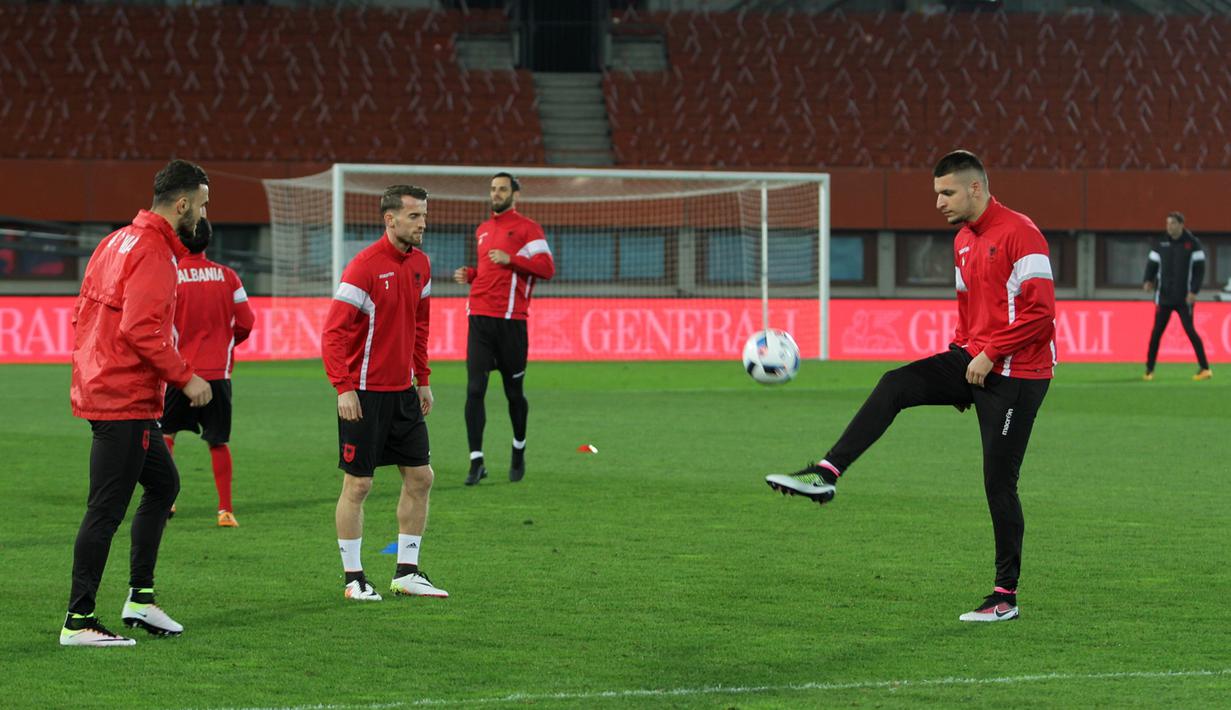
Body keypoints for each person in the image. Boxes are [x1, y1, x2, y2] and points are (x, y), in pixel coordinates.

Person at [765, 151, 1056, 624]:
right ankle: (826, 475)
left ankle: (1005, 597)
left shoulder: (1022, 234)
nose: (939, 202)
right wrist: (959, 361)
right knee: (896, 384)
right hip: (975, 360)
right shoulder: (963, 240)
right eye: (936, 194)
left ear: (976, 189)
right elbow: (967, 311)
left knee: (999, 484)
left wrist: (989, 354)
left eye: (947, 193)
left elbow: (1042, 316)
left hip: (1019, 375)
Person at [62, 159, 214, 646]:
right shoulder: (152, 250)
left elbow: (81, 313)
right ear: (184, 203)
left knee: (164, 484)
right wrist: (186, 378)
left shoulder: (115, 240)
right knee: (105, 510)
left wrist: (92, 366)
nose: (205, 214)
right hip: (122, 395)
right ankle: (79, 620)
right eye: (203, 204)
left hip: (109, 385)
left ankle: (141, 600)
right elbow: (140, 329)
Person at [321, 184, 447, 602]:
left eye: (424, 216)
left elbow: (421, 326)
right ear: (389, 219)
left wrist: (422, 378)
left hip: (403, 393)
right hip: (363, 395)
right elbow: (333, 333)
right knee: (358, 486)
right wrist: (343, 387)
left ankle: (407, 573)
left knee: (421, 477)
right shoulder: (364, 268)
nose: (423, 224)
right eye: (414, 216)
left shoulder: (421, 266)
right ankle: (353, 579)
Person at [451, 172, 555, 486]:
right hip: (479, 318)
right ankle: (476, 461)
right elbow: (488, 270)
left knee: (514, 394)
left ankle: (518, 449)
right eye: (493, 189)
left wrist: (511, 259)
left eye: (502, 189)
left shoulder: (528, 228)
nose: (496, 193)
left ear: (515, 194)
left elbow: (547, 268)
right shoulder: (482, 230)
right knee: (474, 390)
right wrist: (471, 274)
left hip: (512, 323)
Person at [160, 217, 256, 527]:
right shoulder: (229, 277)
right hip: (218, 374)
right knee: (217, 441)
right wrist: (226, 343)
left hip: (180, 373)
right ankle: (225, 510)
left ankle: (167, 501)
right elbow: (246, 322)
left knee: (166, 434)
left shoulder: (170, 276)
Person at [1142, 212, 1211, 381]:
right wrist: (1147, 281)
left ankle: (1205, 369)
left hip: (1184, 298)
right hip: (1164, 297)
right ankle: (1149, 370)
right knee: (1156, 333)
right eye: (1167, 223)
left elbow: (1199, 270)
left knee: (1190, 330)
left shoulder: (1192, 243)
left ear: (1181, 224)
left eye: (1172, 223)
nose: (1169, 227)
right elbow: (1151, 264)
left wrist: (1194, 291)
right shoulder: (1160, 243)